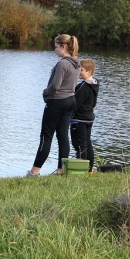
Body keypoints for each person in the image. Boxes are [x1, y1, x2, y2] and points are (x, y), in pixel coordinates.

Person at [28, 34, 81, 176]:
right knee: (63, 137)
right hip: (70, 101)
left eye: (56, 46)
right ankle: (61, 170)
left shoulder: (63, 63)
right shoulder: (77, 63)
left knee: (46, 137)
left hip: (57, 102)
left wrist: (45, 93)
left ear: (63, 46)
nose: (55, 49)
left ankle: (34, 172)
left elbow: (55, 86)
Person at [70, 59, 99, 173]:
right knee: (87, 144)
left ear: (89, 72)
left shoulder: (83, 86)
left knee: (79, 145)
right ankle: (90, 170)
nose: (79, 73)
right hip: (89, 118)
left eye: (81, 70)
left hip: (79, 119)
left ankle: (81, 170)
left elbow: (74, 103)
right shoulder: (95, 85)